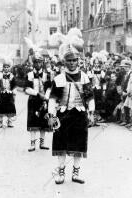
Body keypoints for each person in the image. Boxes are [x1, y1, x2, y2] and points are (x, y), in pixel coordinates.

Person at [48, 44, 93, 184]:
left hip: (79, 115)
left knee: (79, 144)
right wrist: (51, 115)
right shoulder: (59, 79)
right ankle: (60, 173)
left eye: (75, 60)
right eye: (69, 61)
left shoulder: (85, 77)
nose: (72, 63)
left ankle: (76, 173)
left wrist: (91, 113)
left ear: (78, 61)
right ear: (64, 62)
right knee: (61, 144)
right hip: (62, 115)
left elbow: (90, 97)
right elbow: (52, 99)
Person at [25, 53, 51, 152]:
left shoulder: (46, 75)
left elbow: (49, 87)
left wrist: (46, 97)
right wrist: (37, 94)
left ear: (42, 63)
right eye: (36, 62)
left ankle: (42, 143)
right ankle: (32, 144)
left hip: (44, 100)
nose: (38, 64)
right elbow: (27, 89)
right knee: (33, 121)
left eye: (40, 62)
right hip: (33, 100)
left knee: (43, 121)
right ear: (33, 63)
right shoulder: (29, 75)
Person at [0, 61, 17, 128]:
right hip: (1, 94)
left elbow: (14, 85)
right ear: (3, 68)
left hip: (9, 94)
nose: (6, 68)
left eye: (7, 67)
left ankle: (9, 121)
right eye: (5, 67)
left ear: (9, 68)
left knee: (10, 107)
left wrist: (14, 93)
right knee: (0, 107)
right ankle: (0, 122)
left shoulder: (12, 76)